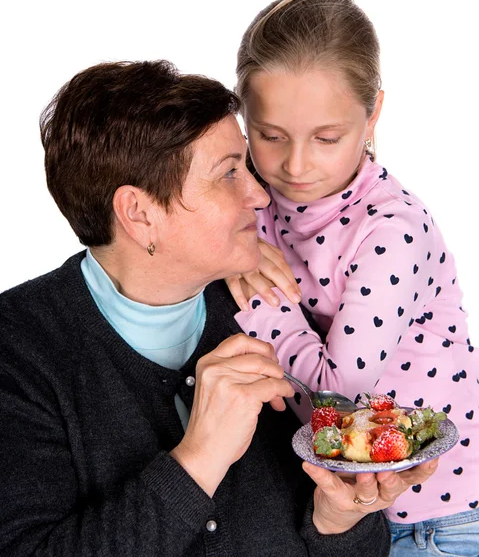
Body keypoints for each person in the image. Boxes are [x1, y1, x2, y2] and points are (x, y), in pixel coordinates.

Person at [0, 59, 438, 556]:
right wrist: (200, 457)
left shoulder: (267, 307)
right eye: (229, 173)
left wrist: (338, 521)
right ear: (140, 214)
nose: (259, 194)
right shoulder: (19, 350)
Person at [227, 0, 479, 556]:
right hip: (330, 515)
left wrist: (263, 298)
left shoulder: (392, 229)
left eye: (326, 138)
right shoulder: (251, 201)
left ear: (373, 114)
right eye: (269, 136)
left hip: (437, 524)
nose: (295, 165)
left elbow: (336, 405)